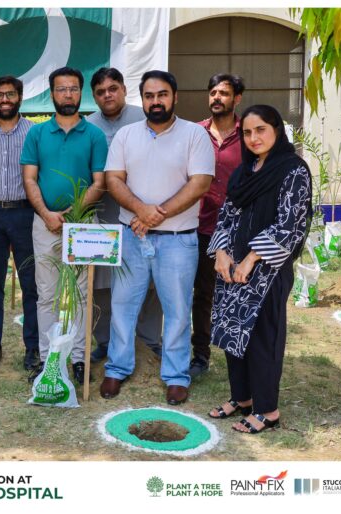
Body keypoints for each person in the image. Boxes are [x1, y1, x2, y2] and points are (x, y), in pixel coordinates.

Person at [102, 70, 214, 404]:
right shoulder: (126, 135)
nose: (156, 101)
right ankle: (117, 368)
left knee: (177, 309)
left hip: (178, 239)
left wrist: (156, 214)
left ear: (174, 97)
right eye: (149, 96)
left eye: (162, 94)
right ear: (142, 99)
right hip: (131, 236)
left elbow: (200, 183)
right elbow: (114, 179)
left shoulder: (194, 134)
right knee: (123, 305)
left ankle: (176, 375)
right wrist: (141, 210)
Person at [207, 105, 311, 434]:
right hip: (232, 267)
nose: (254, 138)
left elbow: (290, 224)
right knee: (233, 331)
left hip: (267, 269)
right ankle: (243, 398)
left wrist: (251, 259)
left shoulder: (293, 170)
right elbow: (226, 215)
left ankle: (267, 409)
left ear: (276, 130)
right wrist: (221, 253)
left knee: (263, 338)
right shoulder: (244, 171)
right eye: (248, 132)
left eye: (261, 130)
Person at [21, 66, 108, 385]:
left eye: (73, 89)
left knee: (82, 294)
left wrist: (73, 214)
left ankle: (79, 358)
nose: (67, 94)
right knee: (46, 294)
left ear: (80, 93)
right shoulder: (37, 134)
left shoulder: (95, 135)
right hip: (45, 223)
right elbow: (30, 178)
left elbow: (100, 182)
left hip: (83, 225)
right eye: (61, 89)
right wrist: (46, 213)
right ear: (52, 93)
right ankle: (48, 360)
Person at [85, 67, 163, 363]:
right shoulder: (87, 126)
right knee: (101, 280)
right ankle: (105, 340)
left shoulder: (145, 119)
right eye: (101, 92)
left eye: (113, 88)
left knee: (151, 279)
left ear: (123, 89)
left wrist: (148, 209)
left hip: (143, 213)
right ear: (94, 97)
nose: (108, 95)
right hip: (102, 214)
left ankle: (149, 338)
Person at [0, 76, 39, 372]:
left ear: (20, 97)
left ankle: (32, 347)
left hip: (26, 213)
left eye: (10, 94)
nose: (4, 100)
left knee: (30, 283)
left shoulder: (35, 133)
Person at [190, 74, 245, 378]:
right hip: (201, 226)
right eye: (212, 92)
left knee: (239, 293)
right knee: (203, 293)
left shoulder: (248, 134)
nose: (216, 98)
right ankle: (200, 355)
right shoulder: (195, 133)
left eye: (223, 93)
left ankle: (240, 353)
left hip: (240, 230)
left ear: (237, 98)